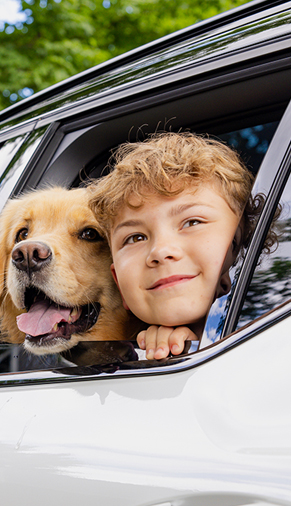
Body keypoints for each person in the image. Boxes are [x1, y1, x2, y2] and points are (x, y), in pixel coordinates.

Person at [88, 131, 268, 360]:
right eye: (135, 238)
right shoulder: (134, 356)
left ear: (243, 244)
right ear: (119, 284)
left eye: (192, 222)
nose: (160, 251)